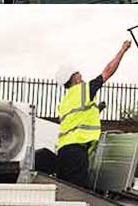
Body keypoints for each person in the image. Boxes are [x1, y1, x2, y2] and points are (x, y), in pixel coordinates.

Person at [54, 40, 132, 187]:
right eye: (78, 73)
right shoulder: (84, 90)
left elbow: (77, 119)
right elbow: (108, 71)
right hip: (77, 152)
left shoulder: (64, 102)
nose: (81, 75)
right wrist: (122, 50)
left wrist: (97, 110)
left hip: (63, 152)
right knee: (76, 194)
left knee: (65, 193)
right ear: (75, 78)